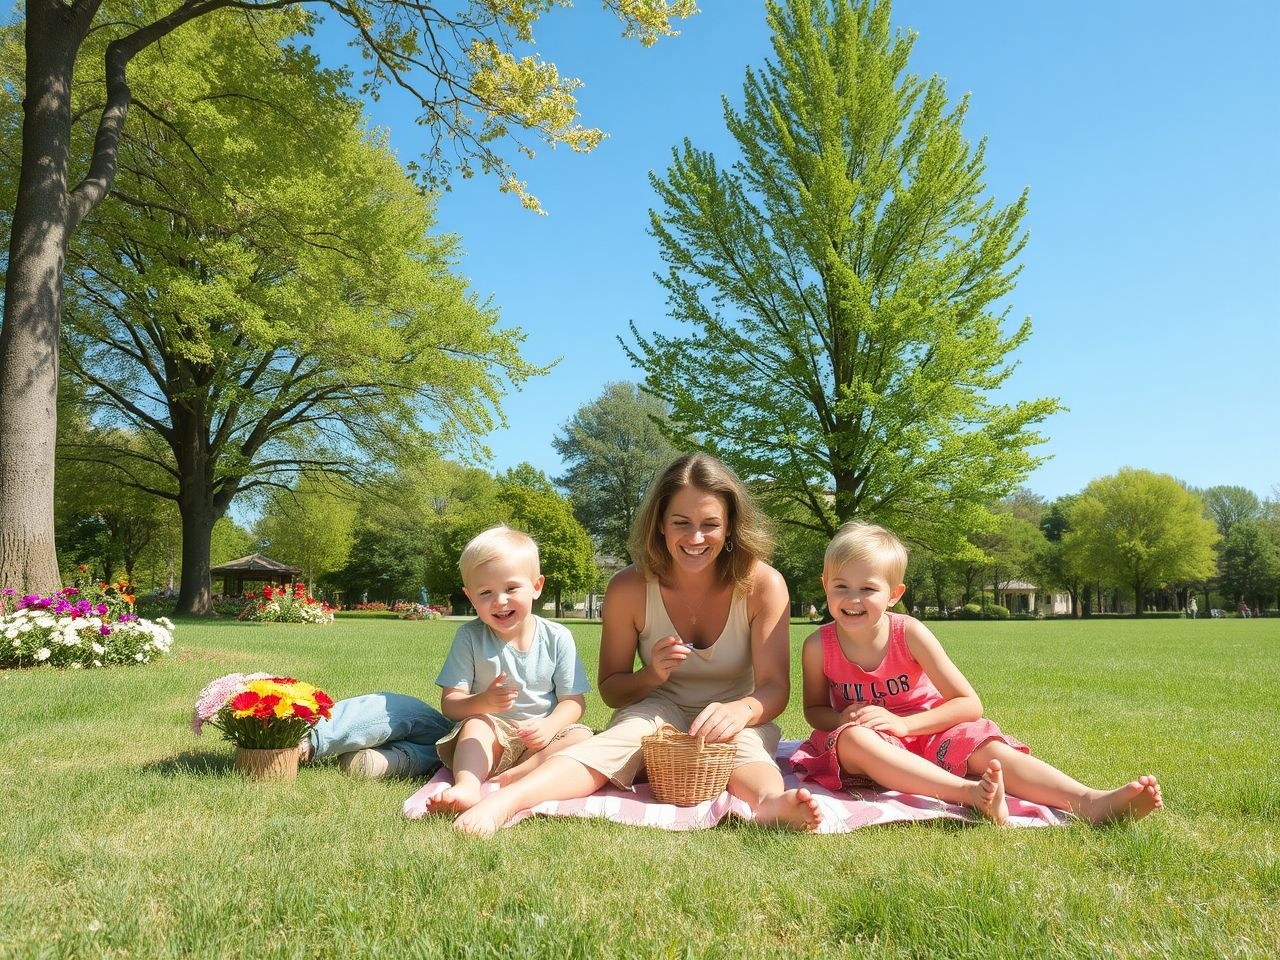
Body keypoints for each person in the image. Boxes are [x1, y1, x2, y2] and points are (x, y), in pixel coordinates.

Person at [452, 453, 823, 837]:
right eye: (681, 523)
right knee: (618, 741)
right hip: (656, 711)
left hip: (738, 713)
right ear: (660, 524)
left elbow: (775, 688)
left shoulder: (763, 584)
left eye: (710, 524)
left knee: (744, 747)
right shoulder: (629, 587)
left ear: (730, 528)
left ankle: (769, 805)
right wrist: (652, 675)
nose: (695, 538)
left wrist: (742, 710)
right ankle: (506, 802)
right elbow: (612, 690)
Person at [790, 521, 1162, 825]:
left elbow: (968, 704)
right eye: (841, 586)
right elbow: (814, 710)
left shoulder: (909, 633)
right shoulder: (818, 646)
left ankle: (1089, 801)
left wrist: (905, 725)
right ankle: (969, 794)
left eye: (868, 588)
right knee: (853, 739)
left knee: (989, 750)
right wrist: (841, 718)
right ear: (825, 586)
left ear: (893, 594)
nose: (852, 599)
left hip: (930, 728)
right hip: (875, 744)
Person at [425, 526, 593, 814]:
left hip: (541, 738)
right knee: (476, 725)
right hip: (493, 740)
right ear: (470, 595)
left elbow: (573, 702)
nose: (500, 601)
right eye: (485, 592)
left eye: (512, 588)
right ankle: (467, 785)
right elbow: (450, 706)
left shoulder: (557, 637)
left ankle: (523, 774)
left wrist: (550, 726)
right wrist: (483, 703)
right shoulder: (470, 637)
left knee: (582, 737)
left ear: (537, 586)